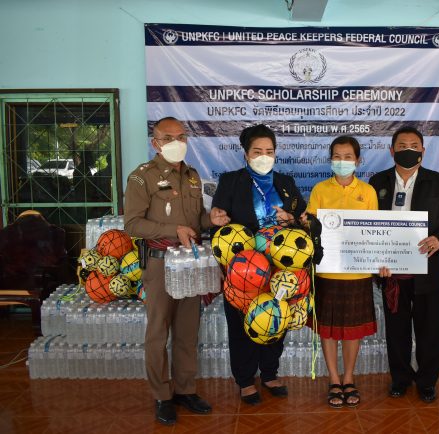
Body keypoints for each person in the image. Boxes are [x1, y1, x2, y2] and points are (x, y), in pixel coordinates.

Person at [124, 117, 215, 425]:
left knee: (188, 331)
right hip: (160, 263)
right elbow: (133, 224)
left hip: (189, 263)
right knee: (158, 331)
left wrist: (210, 220)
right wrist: (172, 230)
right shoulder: (141, 178)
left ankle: (185, 389)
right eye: (168, 137)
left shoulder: (192, 176)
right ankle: (162, 395)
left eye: (181, 136)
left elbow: (196, 219)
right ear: (156, 143)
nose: (176, 142)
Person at [210, 124, 306, 405]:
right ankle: (244, 379)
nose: (264, 156)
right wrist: (216, 219)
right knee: (241, 324)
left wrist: (291, 219)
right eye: (257, 151)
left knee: (276, 317)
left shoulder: (285, 182)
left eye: (269, 151)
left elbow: (302, 220)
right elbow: (220, 228)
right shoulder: (230, 181)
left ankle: (269, 373)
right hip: (244, 270)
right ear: (245, 153)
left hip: (279, 268)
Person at [369, 126, 439, 403]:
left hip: (426, 270)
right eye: (401, 145)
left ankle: (426, 381)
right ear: (391, 151)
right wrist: (377, 260)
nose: (408, 150)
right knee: (396, 328)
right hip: (391, 274)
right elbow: (366, 226)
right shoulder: (377, 183)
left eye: (413, 145)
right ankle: (400, 378)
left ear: (423, 150)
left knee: (428, 329)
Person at [305, 136, 378, 408]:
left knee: (352, 330)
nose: (342, 161)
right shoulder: (319, 189)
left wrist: (380, 257)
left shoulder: (368, 192)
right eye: (337, 155)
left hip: (358, 273)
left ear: (358, 161)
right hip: (327, 273)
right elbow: (313, 229)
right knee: (328, 329)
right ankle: (333, 379)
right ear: (330, 159)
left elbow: (375, 231)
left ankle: (349, 377)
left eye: (348, 156)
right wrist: (305, 224)